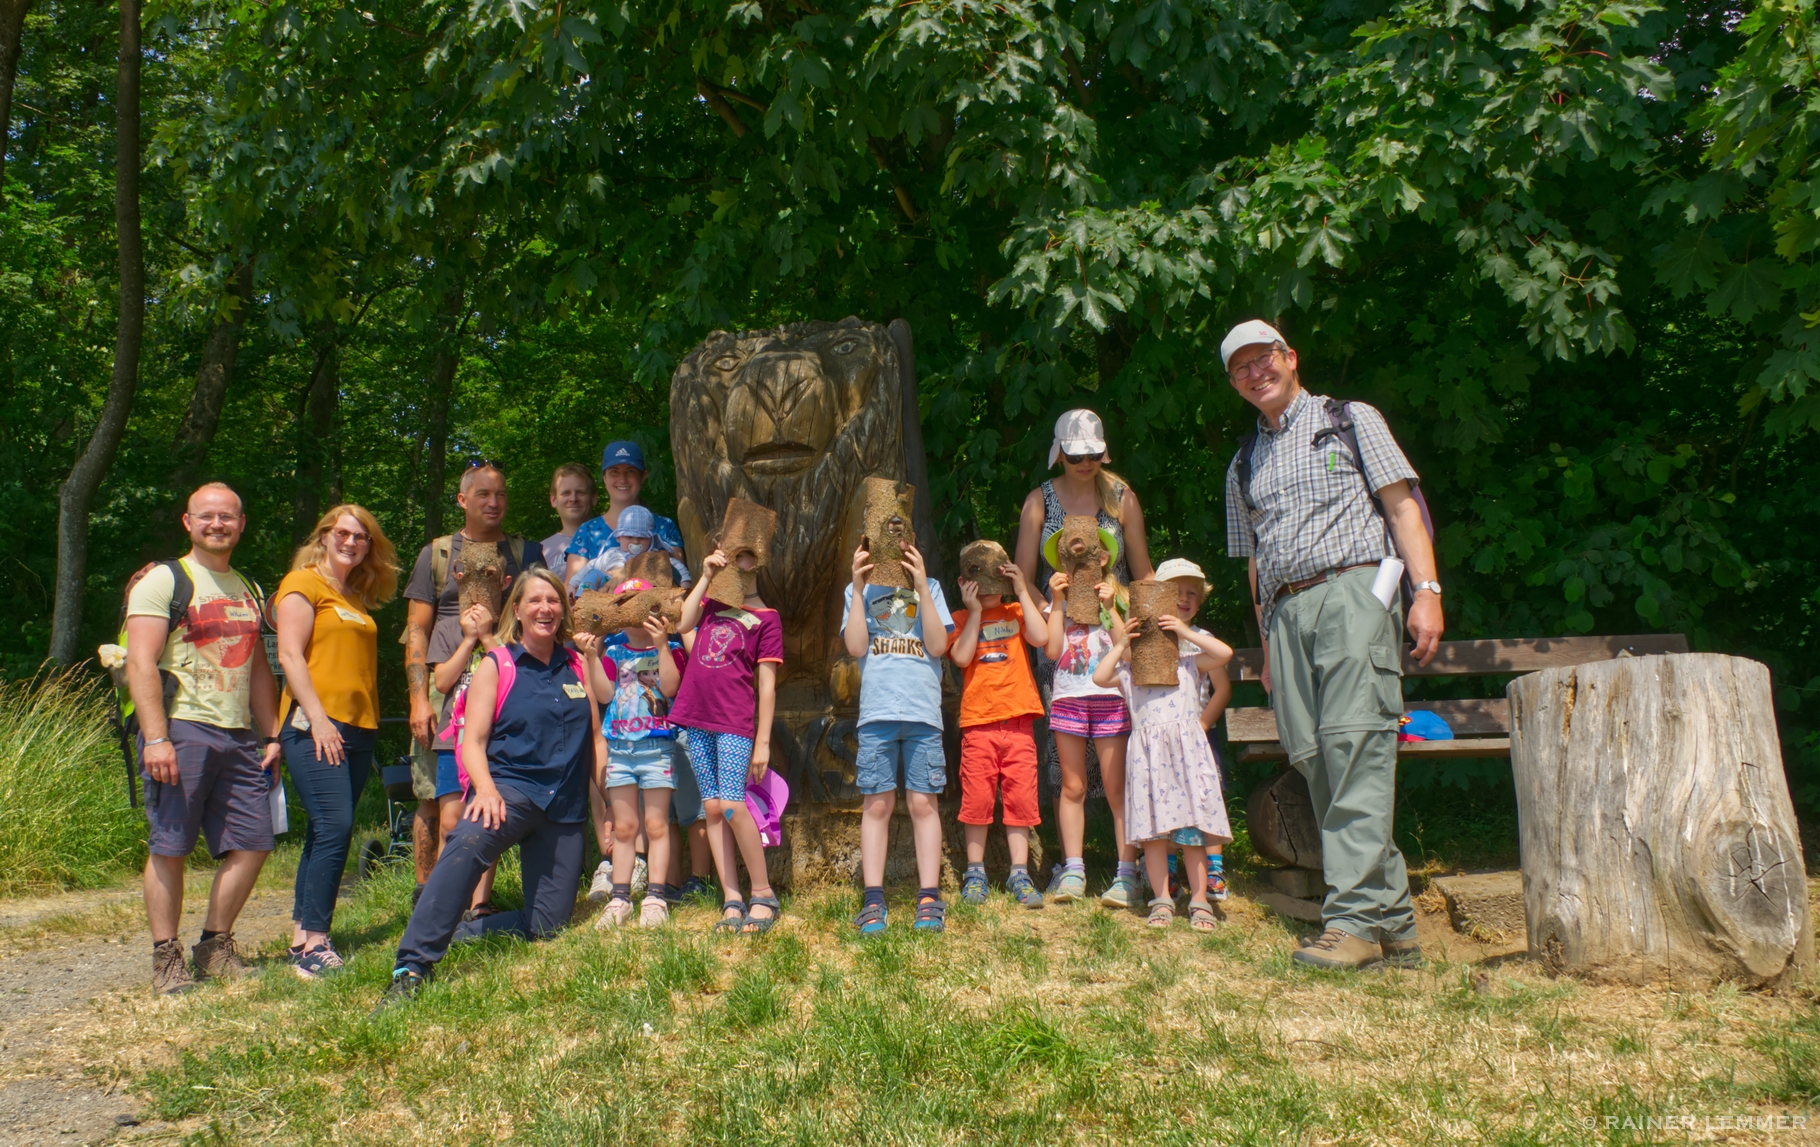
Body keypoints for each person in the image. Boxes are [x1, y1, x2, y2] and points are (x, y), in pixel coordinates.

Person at [1221, 319, 1444, 971]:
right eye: (1241, 368)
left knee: (1354, 747)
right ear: (1234, 383)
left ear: (1290, 358)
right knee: (1317, 759)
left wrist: (1426, 589)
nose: (1255, 372)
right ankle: (1397, 925)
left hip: (1355, 591)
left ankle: (1350, 925)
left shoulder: (1351, 419)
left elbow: (1402, 508)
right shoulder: (1244, 462)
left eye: (1264, 358)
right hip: (1285, 613)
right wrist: (1265, 640)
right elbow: (1254, 559)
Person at [381, 569, 605, 1006]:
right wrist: (484, 790)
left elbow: (596, 740)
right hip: (510, 793)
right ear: (517, 610)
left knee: (548, 928)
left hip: (565, 807)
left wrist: (610, 804)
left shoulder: (577, 664)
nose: (546, 609)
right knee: (465, 842)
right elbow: (473, 742)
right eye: (535, 601)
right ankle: (412, 966)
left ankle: (465, 929)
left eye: (554, 600)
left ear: (563, 609)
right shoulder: (496, 664)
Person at [123, 483, 281, 994]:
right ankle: (166, 960)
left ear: (241, 523)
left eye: (228, 516)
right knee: (171, 845)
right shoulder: (166, 581)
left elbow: (259, 668)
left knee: (254, 842)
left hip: (238, 736)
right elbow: (140, 661)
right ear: (188, 522)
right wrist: (155, 739)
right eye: (207, 516)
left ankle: (215, 945)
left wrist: (272, 733)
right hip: (182, 728)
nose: (219, 524)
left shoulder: (249, 588)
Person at [402, 462, 543, 902]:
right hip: (444, 685)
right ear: (463, 500)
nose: (494, 502)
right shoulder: (439, 553)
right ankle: (427, 894)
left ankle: (474, 901)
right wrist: (417, 700)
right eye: (483, 494)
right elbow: (416, 629)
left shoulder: (524, 553)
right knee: (433, 796)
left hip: (504, 684)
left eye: (500, 494)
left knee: (485, 791)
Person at [272, 504, 399, 980]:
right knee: (336, 824)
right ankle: (317, 946)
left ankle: (302, 935)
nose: (351, 542)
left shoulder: (355, 595)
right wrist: (320, 720)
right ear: (324, 535)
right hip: (314, 725)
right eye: (342, 533)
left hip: (357, 726)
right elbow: (289, 654)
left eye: (361, 537)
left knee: (324, 829)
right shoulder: (303, 584)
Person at [1091, 573, 1235, 931]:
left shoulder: (1188, 664)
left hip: (1184, 759)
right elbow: (1099, 676)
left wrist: (1186, 634)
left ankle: (1200, 900)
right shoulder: (1129, 673)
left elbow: (1224, 654)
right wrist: (1122, 641)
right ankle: (1162, 900)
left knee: (1192, 833)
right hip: (1148, 763)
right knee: (1154, 837)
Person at [669, 546, 784, 934]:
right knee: (713, 807)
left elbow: (766, 686)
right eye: (733, 554)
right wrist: (704, 575)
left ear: (761, 560)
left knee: (734, 805)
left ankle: (763, 892)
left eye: (747, 555)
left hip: (734, 721)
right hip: (694, 716)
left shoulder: (767, 618)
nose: (739, 563)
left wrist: (763, 741)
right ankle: (731, 897)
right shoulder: (712, 603)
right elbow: (682, 625)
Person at [842, 537, 954, 934]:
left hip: (923, 714)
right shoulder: (859, 592)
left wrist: (922, 586)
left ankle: (928, 896)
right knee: (876, 805)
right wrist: (856, 590)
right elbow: (855, 644)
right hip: (877, 715)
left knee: (924, 803)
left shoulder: (932, 588)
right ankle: (874, 899)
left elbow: (939, 646)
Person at [582, 580, 687, 928]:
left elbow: (671, 688)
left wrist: (662, 645)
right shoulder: (613, 652)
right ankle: (620, 897)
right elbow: (603, 693)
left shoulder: (669, 648)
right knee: (624, 827)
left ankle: (656, 897)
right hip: (620, 751)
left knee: (657, 824)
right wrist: (592, 656)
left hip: (657, 748)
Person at [948, 553, 1049, 909]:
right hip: (978, 724)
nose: (987, 587)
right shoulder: (960, 619)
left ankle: (1019, 872)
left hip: (1019, 722)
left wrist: (1021, 589)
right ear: (963, 582)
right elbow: (961, 657)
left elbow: (1041, 638)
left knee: (1021, 799)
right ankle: (975, 872)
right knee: (976, 799)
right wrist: (974, 611)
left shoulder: (1016, 613)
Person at [1042, 565, 1136, 905]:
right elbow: (1052, 650)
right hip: (1069, 698)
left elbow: (1128, 653)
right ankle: (1073, 870)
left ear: (1103, 560)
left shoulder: (1119, 600)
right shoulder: (1057, 604)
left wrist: (1110, 609)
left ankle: (1128, 874)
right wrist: (1056, 600)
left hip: (1110, 699)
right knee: (1072, 787)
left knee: (1116, 788)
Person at [1151, 558, 1234, 902]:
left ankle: (1213, 868)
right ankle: (1168, 868)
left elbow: (1222, 689)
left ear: (1200, 600)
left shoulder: (1201, 638)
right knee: (1168, 799)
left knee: (1204, 798)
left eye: (1191, 594)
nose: (1184, 599)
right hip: (1163, 736)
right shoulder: (1151, 642)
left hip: (1197, 734)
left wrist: (1202, 724)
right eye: (1176, 593)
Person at [1014, 408, 1154, 590]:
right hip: (1052, 615)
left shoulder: (1122, 498)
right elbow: (1023, 581)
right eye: (1076, 456)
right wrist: (1045, 616)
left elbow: (1145, 577)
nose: (1086, 463)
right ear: (1060, 454)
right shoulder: (1038, 501)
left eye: (1094, 455)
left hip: (1115, 615)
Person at [563, 440, 686, 588]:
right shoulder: (587, 532)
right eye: (614, 471)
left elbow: (677, 581)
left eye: (630, 471)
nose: (622, 479)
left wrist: (627, 571)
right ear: (604, 478)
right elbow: (572, 592)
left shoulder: (665, 526)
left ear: (643, 476)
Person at [568, 505, 692, 596]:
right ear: (618, 537)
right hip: (610, 593)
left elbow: (676, 566)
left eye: (641, 538)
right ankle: (582, 600)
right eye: (629, 537)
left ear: (651, 539)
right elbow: (589, 567)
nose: (635, 541)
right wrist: (572, 584)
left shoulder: (655, 557)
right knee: (593, 573)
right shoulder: (611, 554)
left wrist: (685, 585)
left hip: (643, 592)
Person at [543, 463, 598, 569]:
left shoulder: (612, 541)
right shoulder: (541, 551)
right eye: (566, 493)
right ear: (553, 500)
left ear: (594, 498)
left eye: (580, 492)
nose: (573, 499)